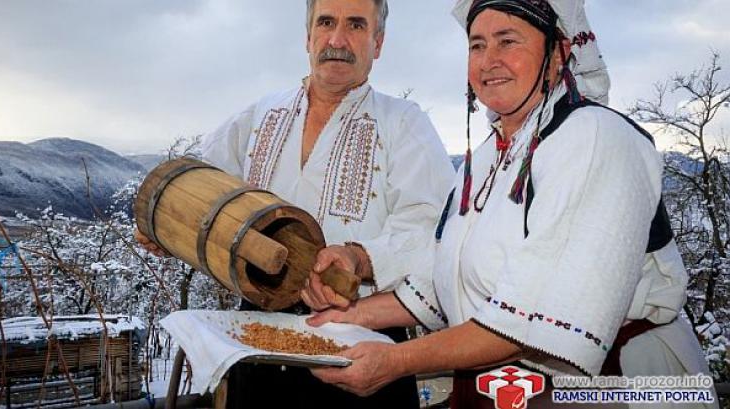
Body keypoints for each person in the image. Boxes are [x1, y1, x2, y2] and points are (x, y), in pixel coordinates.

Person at [305, 1, 719, 408]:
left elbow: (533, 321)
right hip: (508, 382)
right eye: (477, 45)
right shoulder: (486, 159)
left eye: (508, 42)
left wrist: (396, 361)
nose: (489, 61)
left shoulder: (596, 139)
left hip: (612, 388)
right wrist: (348, 317)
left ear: (558, 54)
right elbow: (444, 281)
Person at [135, 0, 455, 408]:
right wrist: (163, 224)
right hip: (258, 342)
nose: (338, 40)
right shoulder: (261, 115)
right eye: (326, 22)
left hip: (361, 352)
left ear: (379, 42)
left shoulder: (404, 123)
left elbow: (435, 229)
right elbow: (199, 185)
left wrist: (360, 257)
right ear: (308, 37)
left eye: (356, 25)